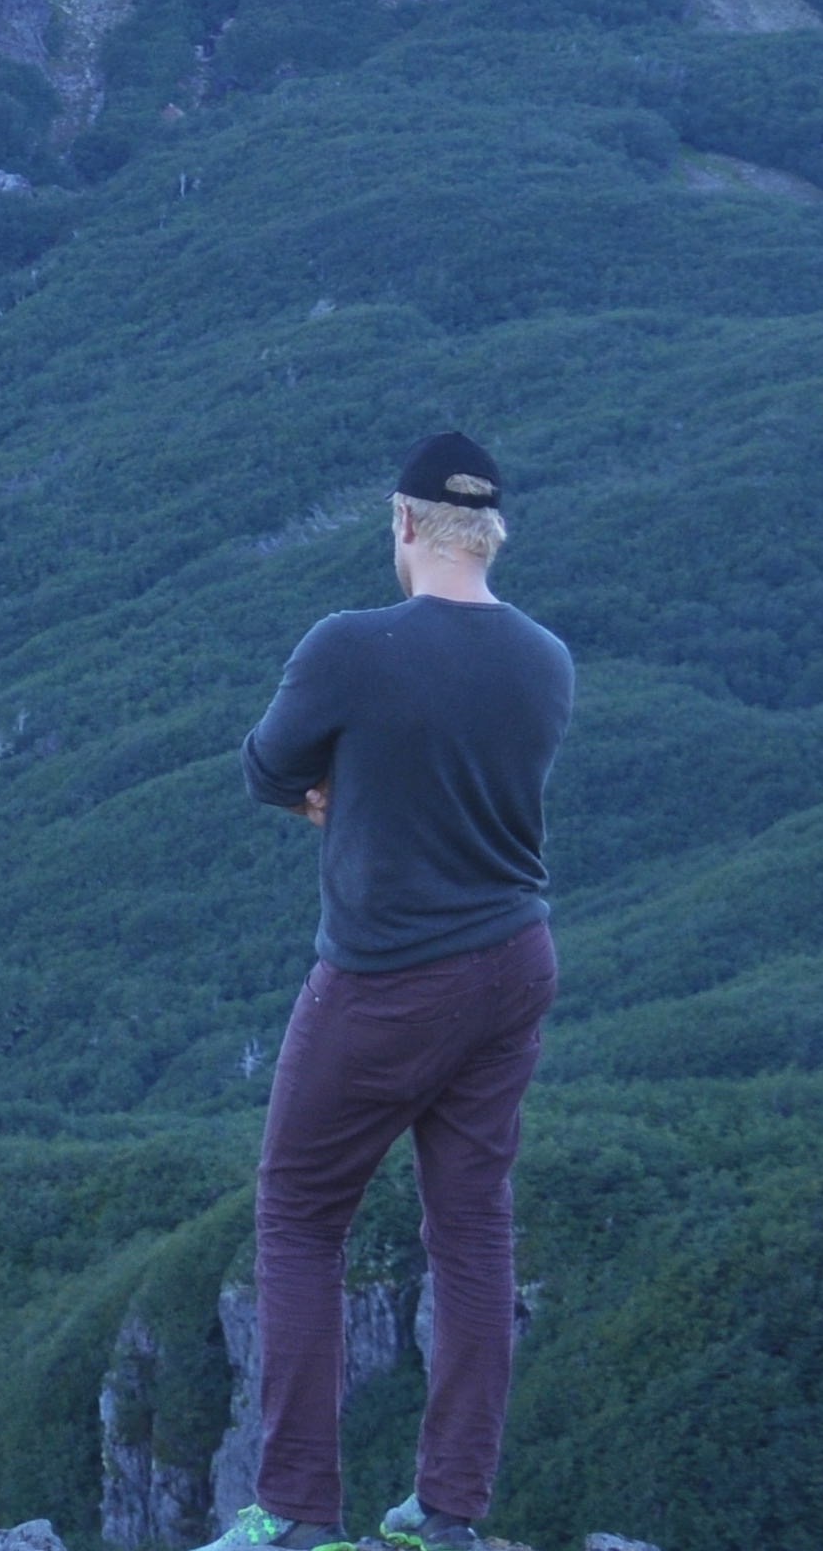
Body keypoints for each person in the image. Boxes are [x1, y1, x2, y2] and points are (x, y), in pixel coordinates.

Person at [195, 432, 574, 1551]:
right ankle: (447, 1513)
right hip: (515, 963)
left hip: (386, 977)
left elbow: (266, 766)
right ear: (490, 531)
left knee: (301, 1213)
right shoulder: (546, 658)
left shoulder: (350, 647)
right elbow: (471, 783)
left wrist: (336, 787)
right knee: (471, 1229)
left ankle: (297, 1511)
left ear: (402, 524)